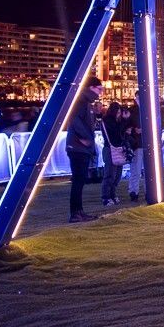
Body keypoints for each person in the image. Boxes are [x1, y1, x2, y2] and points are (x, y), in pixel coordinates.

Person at [65, 78, 102, 222]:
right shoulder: (81, 101)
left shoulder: (84, 102)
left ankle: (78, 211)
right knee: (78, 181)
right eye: (99, 89)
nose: (100, 92)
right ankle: (75, 213)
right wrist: (85, 138)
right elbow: (74, 120)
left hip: (80, 146)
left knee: (80, 181)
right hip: (78, 147)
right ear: (91, 87)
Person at [100, 101, 127, 207]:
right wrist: (124, 121)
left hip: (116, 149)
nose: (119, 114)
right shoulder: (108, 121)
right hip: (111, 149)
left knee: (117, 175)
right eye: (118, 112)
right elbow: (116, 133)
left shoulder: (114, 121)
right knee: (110, 175)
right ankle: (106, 197)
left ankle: (112, 195)